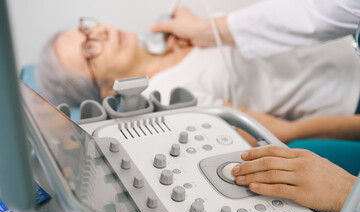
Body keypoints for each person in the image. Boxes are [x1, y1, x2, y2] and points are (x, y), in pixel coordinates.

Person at [150, 0, 360, 212]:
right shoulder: (165, 93)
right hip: (346, 97)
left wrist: (206, 28)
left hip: (346, 55)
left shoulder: (187, 33)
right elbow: (284, 131)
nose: (106, 32)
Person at [36, 18, 360, 122]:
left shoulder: (168, 34)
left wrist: (188, 22)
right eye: (90, 49)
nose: (99, 34)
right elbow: (281, 132)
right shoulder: (169, 100)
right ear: (106, 91)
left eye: (86, 29)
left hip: (348, 47)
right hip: (347, 99)